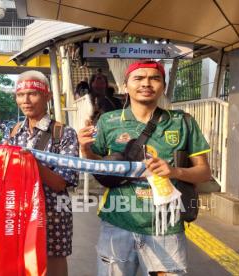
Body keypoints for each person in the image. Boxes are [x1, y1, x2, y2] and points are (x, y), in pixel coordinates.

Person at [78, 60, 211, 275]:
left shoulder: (182, 121)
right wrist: (86, 151)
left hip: (165, 226)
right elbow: (99, 169)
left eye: (154, 78)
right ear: (125, 86)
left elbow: (204, 173)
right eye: (138, 78)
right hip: (117, 221)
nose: (146, 83)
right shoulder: (108, 121)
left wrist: (174, 171)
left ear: (163, 86)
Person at [4, 70, 79, 276]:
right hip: (18, 211)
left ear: (47, 96)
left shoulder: (63, 133)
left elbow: (62, 182)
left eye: (33, 94)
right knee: (18, 264)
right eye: (20, 95)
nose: (26, 100)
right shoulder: (14, 131)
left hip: (52, 213)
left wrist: (30, 162)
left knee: (53, 264)